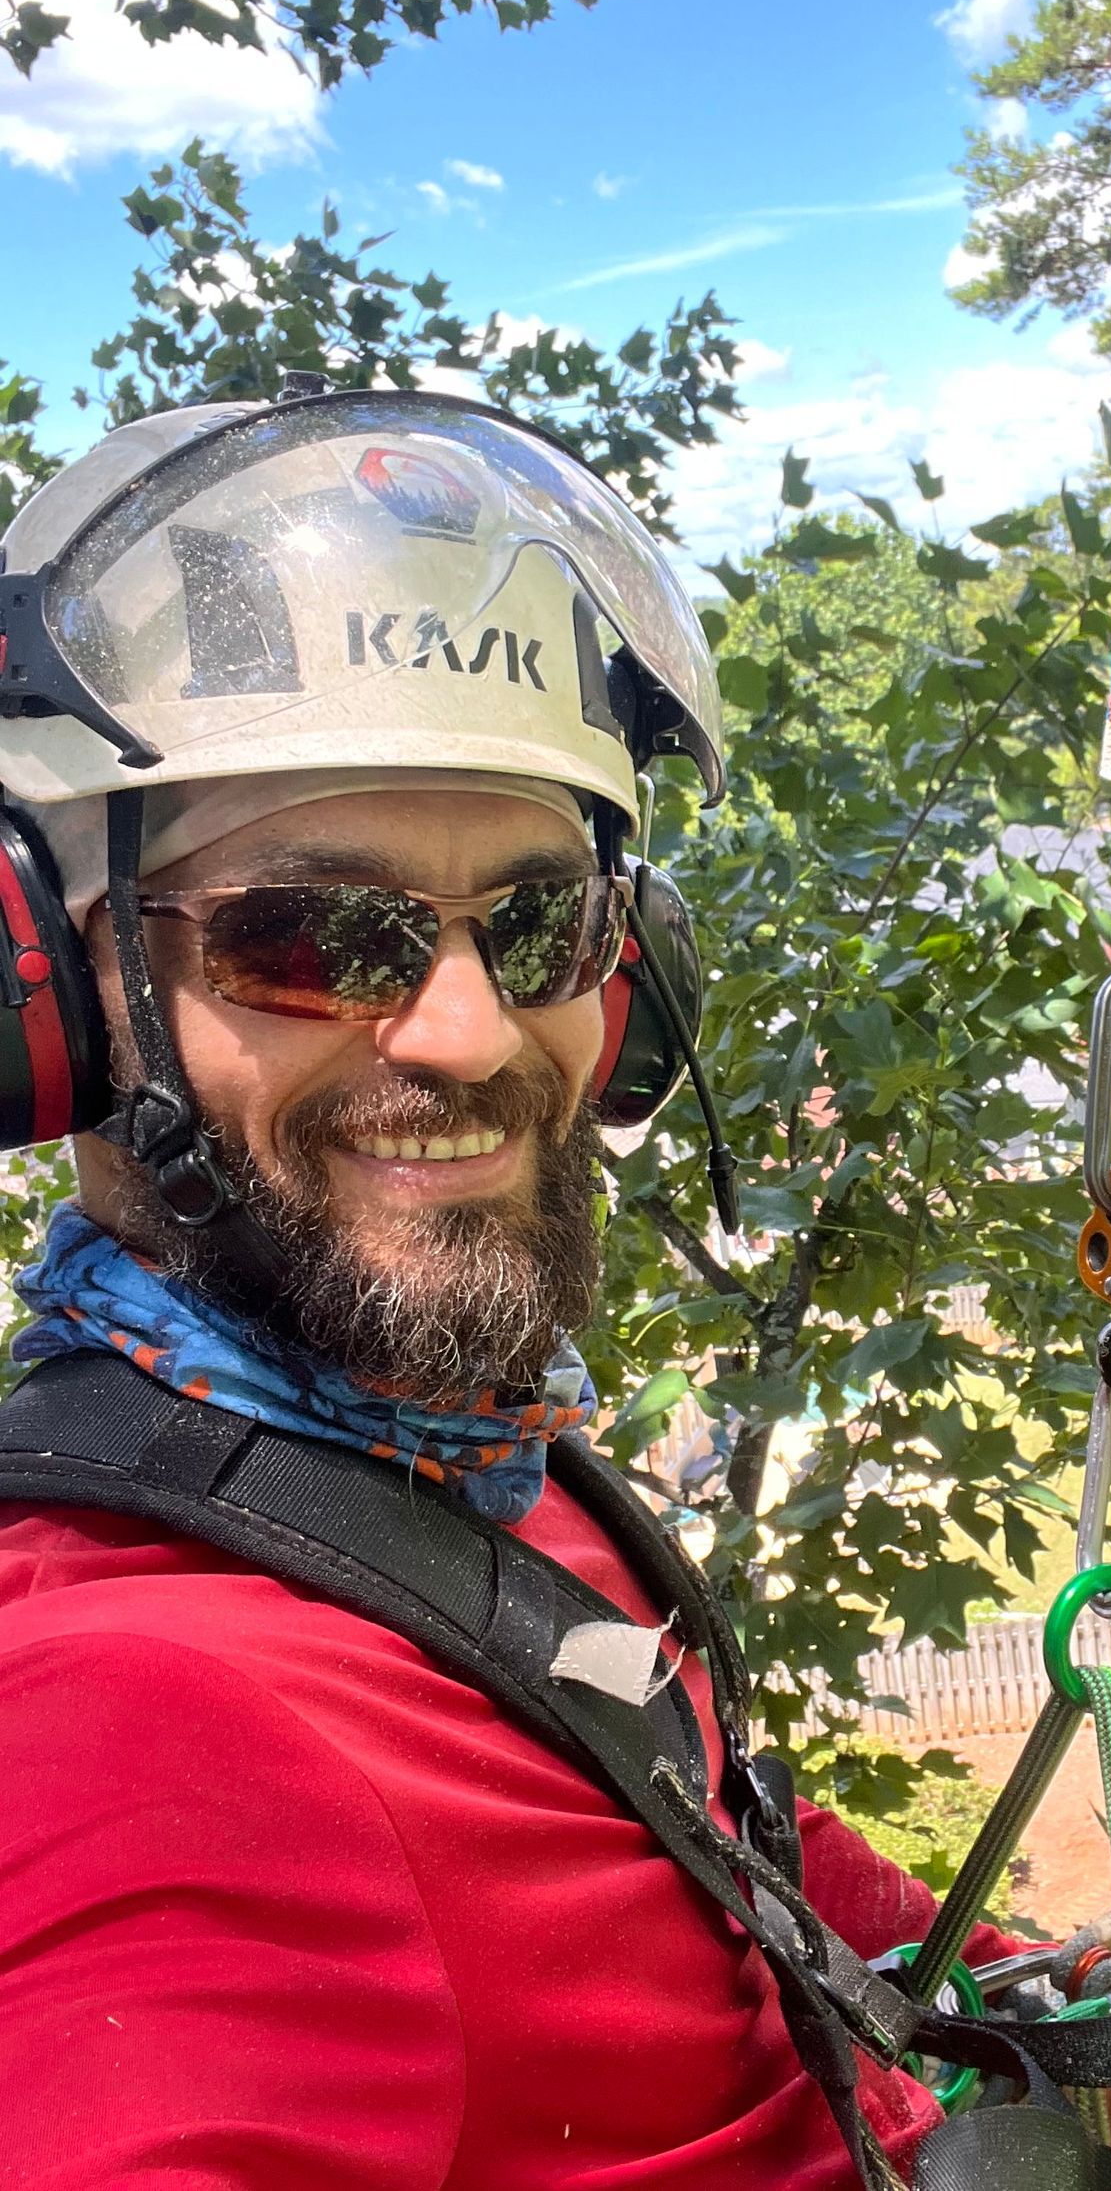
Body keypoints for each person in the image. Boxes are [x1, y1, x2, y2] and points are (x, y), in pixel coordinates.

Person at [0, 388, 1019, 2189]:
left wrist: (1025, 1991)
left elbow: (697, 1824)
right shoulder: (133, 1726)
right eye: (308, 935)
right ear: (56, 1004)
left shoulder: (462, 1468)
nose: (468, 1033)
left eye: (539, 927)